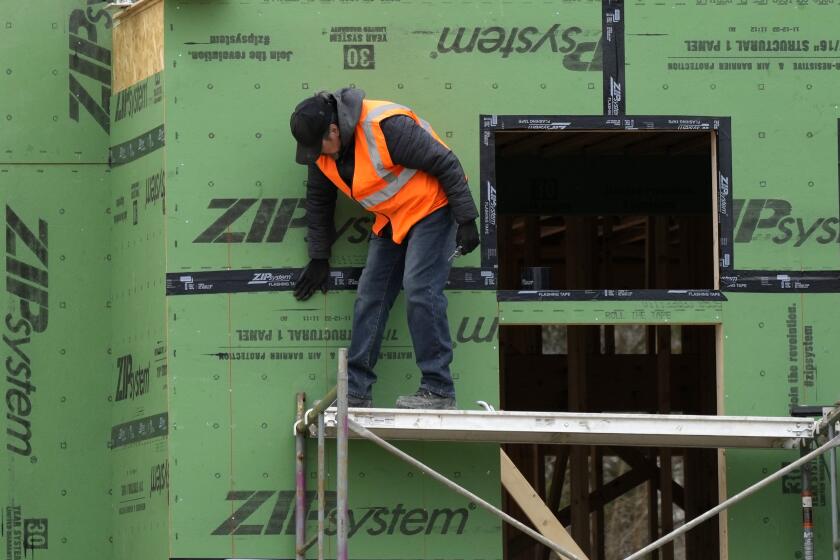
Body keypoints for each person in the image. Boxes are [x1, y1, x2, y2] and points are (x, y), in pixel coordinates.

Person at [289, 87, 479, 409]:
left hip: (432, 208)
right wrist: (319, 257)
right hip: (392, 219)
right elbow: (320, 203)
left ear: (333, 130)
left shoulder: (383, 127)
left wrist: (466, 219)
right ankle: (357, 392)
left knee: (420, 289)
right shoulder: (321, 156)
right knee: (370, 297)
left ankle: (438, 390)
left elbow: (445, 161)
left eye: (318, 145)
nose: (315, 154)